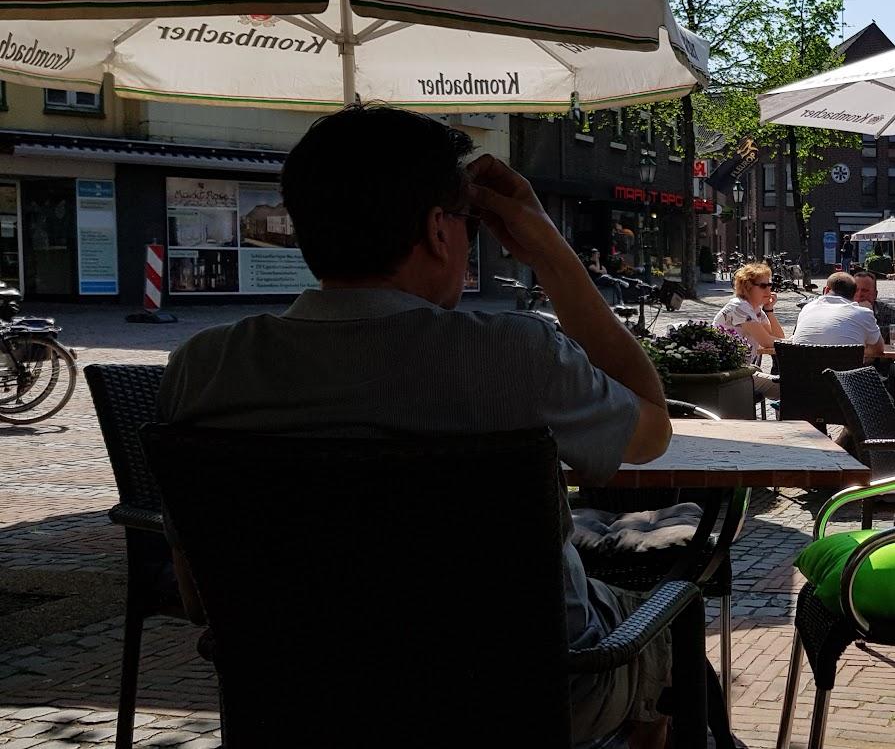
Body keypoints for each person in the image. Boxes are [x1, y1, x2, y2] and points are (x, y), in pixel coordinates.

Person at [159, 105, 673, 749]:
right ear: (438, 229)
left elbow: (196, 592)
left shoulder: (201, 369)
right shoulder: (515, 355)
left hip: (301, 703)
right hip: (526, 699)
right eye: (468, 225)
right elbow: (651, 430)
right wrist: (549, 248)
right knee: (667, 630)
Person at [712, 262, 784, 400]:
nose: (768, 290)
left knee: (790, 387)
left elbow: (777, 337)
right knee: (789, 388)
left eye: (770, 285)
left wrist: (769, 310)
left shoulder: (755, 310)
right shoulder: (739, 307)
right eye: (763, 286)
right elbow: (768, 342)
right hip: (728, 376)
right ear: (747, 287)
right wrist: (794, 342)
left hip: (741, 371)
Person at [791, 272, 884, 359]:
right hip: (844, 375)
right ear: (853, 292)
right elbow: (878, 350)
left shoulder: (807, 308)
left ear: (826, 290)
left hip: (801, 374)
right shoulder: (864, 313)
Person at [854, 270, 895, 343]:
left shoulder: (890, 313)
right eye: (855, 290)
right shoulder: (842, 313)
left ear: (875, 294)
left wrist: (867, 315)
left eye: (865, 291)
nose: (859, 295)